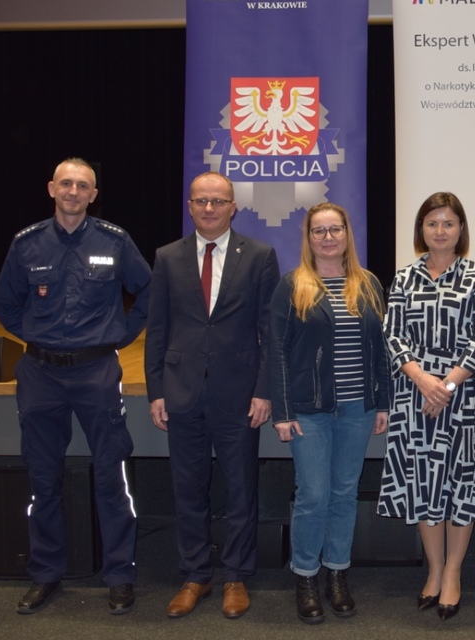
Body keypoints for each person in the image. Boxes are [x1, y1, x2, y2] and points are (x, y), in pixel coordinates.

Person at [0, 157, 151, 616]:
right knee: (43, 479)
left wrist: (118, 335)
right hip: (40, 374)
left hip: (96, 373)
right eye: (66, 184)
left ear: (93, 195)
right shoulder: (27, 243)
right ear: (51, 188)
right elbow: (5, 303)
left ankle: (120, 575)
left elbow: (148, 291)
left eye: (82, 186)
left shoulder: (115, 241)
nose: (74, 192)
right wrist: (37, 336)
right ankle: (45, 573)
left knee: (111, 477)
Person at [144, 172, 280, 619]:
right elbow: (158, 328)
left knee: (241, 489)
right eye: (201, 200)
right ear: (189, 206)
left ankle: (236, 576)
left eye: (218, 201)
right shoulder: (167, 257)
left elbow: (269, 332)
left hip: (239, 394)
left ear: (233, 207)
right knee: (188, 489)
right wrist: (156, 390)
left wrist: (264, 391)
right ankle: (195, 575)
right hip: (181, 391)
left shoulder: (259, 256)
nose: (209, 208)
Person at [376, 192, 475, 622]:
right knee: (423, 484)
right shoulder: (405, 278)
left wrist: (446, 384)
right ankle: (433, 569)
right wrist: (423, 380)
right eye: (432, 223)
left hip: (462, 397)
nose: (440, 230)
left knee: (461, 484)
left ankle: (453, 572)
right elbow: (393, 334)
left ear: (461, 229)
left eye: (449, 223)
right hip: (415, 397)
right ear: (421, 230)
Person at [267, 203, 391, 625]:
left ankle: (337, 573)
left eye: (334, 229)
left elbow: (381, 349)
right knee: (313, 495)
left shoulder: (368, 283)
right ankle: (305, 576)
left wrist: (383, 402)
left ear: (346, 234)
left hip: (358, 409)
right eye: (318, 231)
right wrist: (282, 410)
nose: (327, 237)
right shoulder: (292, 285)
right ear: (308, 238)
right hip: (309, 412)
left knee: (343, 494)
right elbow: (277, 351)